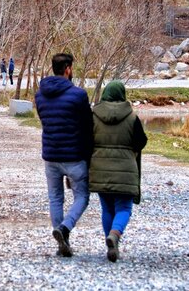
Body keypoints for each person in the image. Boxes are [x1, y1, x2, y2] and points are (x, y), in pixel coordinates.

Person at [35, 53, 93, 257]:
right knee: (82, 196)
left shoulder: (39, 94)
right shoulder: (78, 95)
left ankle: (62, 241)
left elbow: (44, 120)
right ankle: (65, 228)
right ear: (68, 69)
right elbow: (88, 126)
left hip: (50, 154)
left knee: (55, 198)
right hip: (74, 155)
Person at [89, 80, 147, 263]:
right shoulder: (132, 117)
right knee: (124, 208)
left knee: (107, 208)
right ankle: (115, 234)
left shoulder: (94, 115)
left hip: (100, 169)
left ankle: (111, 243)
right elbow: (141, 142)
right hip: (125, 171)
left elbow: (86, 141)